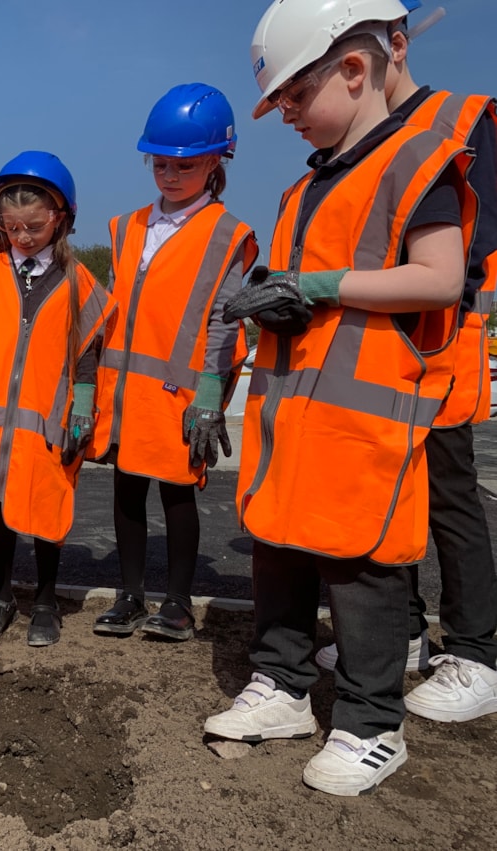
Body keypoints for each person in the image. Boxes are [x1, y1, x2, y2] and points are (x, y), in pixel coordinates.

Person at [204, 0, 473, 797]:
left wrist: (315, 288)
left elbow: (439, 278)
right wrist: (276, 296)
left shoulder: (416, 161)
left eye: (292, 95)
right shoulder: (303, 189)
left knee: (363, 569)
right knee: (278, 547)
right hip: (294, 415)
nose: (283, 114)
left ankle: (369, 723)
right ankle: (283, 685)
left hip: (363, 419)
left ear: (353, 71)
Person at [313, 1, 497, 724]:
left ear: (391, 45)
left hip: (438, 336)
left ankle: (476, 652)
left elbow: (471, 244)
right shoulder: (357, 142)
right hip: (380, 343)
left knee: (449, 494)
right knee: (392, 492)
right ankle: (406, 632)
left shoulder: (461, 119)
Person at [91, 83, 258, 643]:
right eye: (160, 163)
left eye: (184, 165)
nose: (170, 174)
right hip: (123, 391)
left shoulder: (227, 234)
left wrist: (211, 394)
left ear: (217, 160)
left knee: (177, 492)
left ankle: (179, 603)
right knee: (126, 491)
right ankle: (131, 596)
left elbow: (225, 318)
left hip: (180, 395)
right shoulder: (126, 228)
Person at [0, 152, 116, 647]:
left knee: (46, 510)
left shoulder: (79, 283)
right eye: (11, 226)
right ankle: (1, 596)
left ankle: (45, 601)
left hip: (50, 425)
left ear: (61, 219)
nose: (22, 237)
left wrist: (82, 410)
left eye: (35, 226)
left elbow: (86, 355)